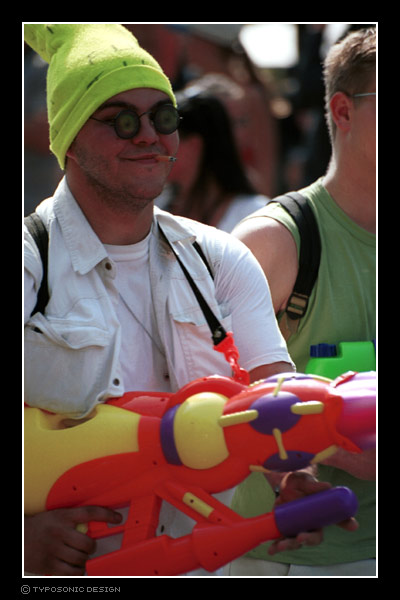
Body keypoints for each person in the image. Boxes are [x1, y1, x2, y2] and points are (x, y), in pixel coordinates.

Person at [23, 23, 342, 578]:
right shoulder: (31, 262)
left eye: (163, 118)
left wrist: (291, 476)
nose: (148, 134)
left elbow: (271, 399)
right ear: (71, 137)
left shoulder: (222, 259)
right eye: (122, 119)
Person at [230, 28, 376, 576]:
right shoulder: (274, 241)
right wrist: (335, 444)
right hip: (284, 559)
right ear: (343, 110)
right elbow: (199, 387)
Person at [156, 77, 269, 232]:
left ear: (195, 146)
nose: (155, 150)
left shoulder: (255, 217)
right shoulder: (153, 208)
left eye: (168, 138)